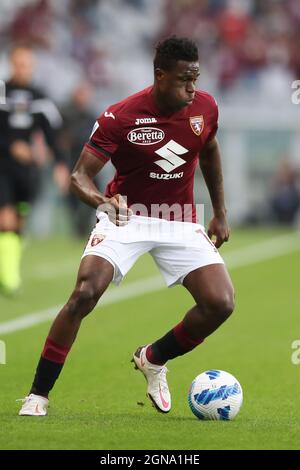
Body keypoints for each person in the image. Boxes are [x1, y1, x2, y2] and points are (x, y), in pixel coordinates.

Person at [19, 36, 234, 416]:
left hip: (177, 219)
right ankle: (39, 393)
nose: (192, 88)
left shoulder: (205, 108)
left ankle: (153, 358)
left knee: (220, 303)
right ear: (159, 75)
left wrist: (220, 211)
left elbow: (210, 150)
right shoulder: (121, 116)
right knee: (85, 292)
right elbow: (79, 177)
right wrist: (103, 202)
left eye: (196, 78)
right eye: (184, 79)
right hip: (126, 214)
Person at [0, 45, 69, 296]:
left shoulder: (40, 97)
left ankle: (8, 266)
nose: (22, 69)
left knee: (19, 221)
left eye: (27, 65)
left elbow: (52, 134)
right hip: (2, 166)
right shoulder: (2, 92)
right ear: (11, 64)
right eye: (18, 64)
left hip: (27, 170)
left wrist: (60, 165)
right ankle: (9, 278)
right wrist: (11, 146)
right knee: (4, 218)